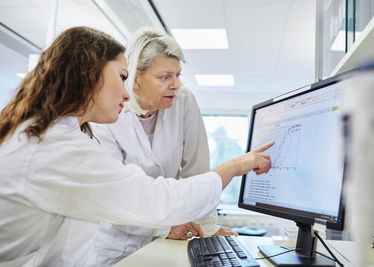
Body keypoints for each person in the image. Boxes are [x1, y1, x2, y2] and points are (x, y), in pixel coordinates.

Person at [0, 26, 274, 266]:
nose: (126, 91)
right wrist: (234, 166)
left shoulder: (53, 134)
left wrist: (206, 226)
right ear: (90, 76)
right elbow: (153, 199)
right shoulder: (55, 148)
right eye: (121, 77)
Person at [91, 27, 237, 266]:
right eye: (164, 77)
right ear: (135, 79)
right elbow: (111, 194)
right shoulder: (108, 112)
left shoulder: (184, 101)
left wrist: (207, 230)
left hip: (168, 242)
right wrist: (163, 226)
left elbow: (198, 173)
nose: (176, 85)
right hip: (115, 247)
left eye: (178, 75)